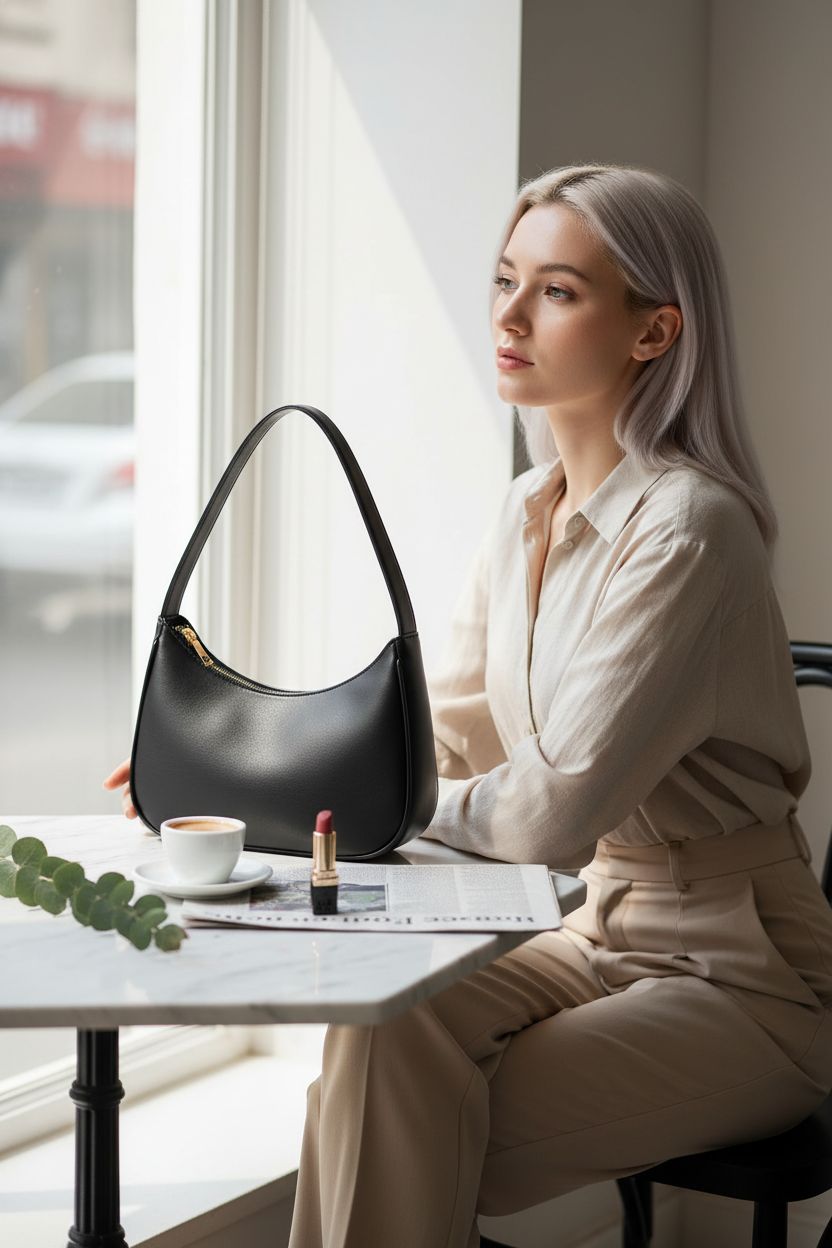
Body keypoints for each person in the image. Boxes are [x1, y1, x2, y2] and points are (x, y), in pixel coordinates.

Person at [104, 162, 832, 1248]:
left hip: (743, 974)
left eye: (557, 290)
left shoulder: (689, 529)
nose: (508, 314)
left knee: (390, 1133)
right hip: (588, 926)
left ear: (654, 331)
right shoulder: (524, 508)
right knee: (381, 1037)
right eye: (504, 279)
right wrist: (239, 785)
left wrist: (380, 808)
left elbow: (544, 818)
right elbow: (441, 734)